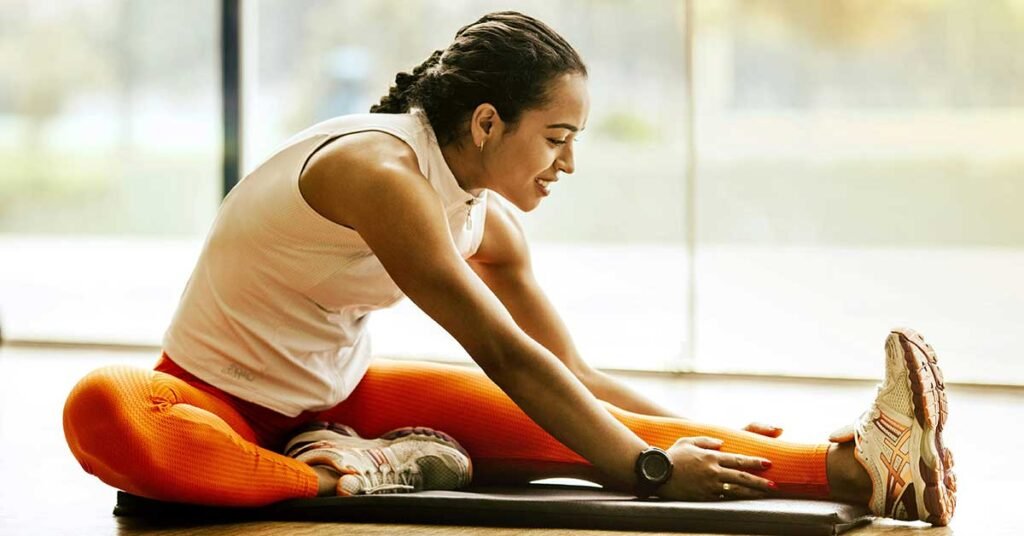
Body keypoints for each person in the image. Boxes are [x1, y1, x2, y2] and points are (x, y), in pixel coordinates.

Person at [62, 11, 956, 526]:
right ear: (487, 123)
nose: (566, 164)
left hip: (339, 404)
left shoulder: (485, 219)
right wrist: (641, 470)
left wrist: (698, 433)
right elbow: (498, 348)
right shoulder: (380, 176)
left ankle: (873, 469)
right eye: (556, 138)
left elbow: (571, 378)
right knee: (100, 409)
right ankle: (344, 475)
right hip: (208, 402)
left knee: (589, 422)